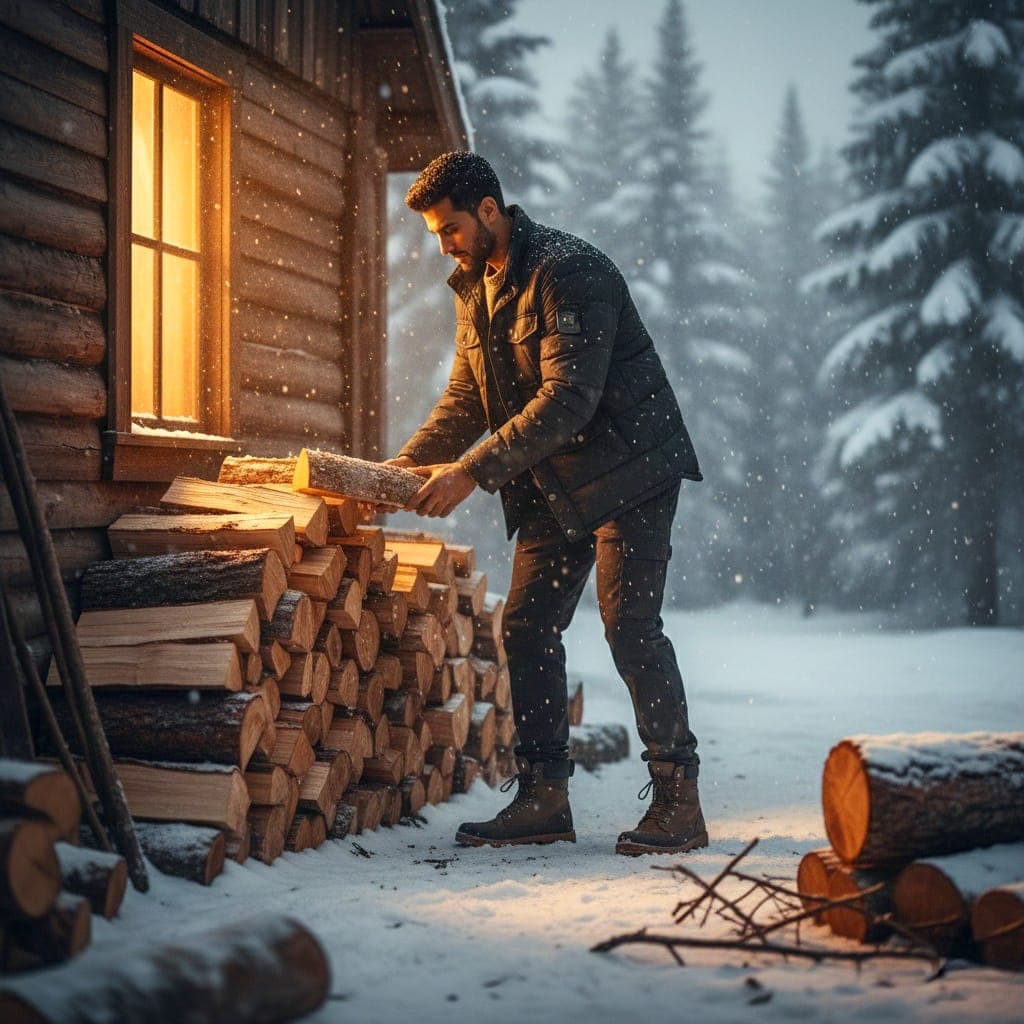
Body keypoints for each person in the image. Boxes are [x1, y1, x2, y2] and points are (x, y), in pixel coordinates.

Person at [390, 151, 707, 856]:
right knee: (528, 625)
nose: (444, 245)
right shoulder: (473, 288)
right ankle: (543, 798)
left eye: (450, 229)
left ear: (490, 210)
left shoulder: (571, 271)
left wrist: (471, 471)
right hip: (553, 479)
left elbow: (569, 398)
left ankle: (679, 802)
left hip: (633, 471)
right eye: (437, 234)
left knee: (630, 626)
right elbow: (469, 396)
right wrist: (407, 462)